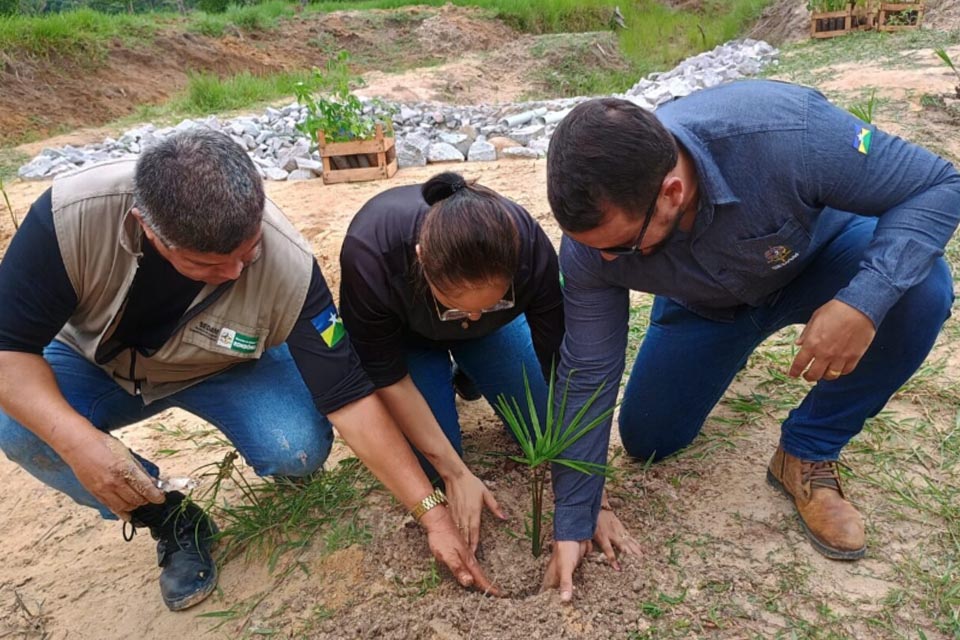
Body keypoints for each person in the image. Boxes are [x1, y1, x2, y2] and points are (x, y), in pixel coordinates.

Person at [0, 130, 495, 612]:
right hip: (96, 363)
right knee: (19, 428)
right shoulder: (71, 217)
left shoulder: (287, 261)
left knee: (296, 447)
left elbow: (349, 395)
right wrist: (77, 441)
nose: (236, 273)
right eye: (207, 264)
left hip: (223, 364)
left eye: (248, 252)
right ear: (146, 228)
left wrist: (431, 515)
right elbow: (7, 349)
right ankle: (168, 517)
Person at [543, 79, 959, 600]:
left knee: (921, 289)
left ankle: (808, 448)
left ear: (672, 192)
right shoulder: (593, 246)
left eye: (623, 246)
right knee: (651, 438)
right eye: (592, 248)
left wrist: (863, 302)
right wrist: (574, 515)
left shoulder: (787, 132)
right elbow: (587, 370)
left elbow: (939, 185)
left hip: (820, 264)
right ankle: (723, 355)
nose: (605, 260)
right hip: (705, 308)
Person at [339, 172, 624, 553]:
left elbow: (561, 365)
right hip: (409, 345)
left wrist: (590, 493)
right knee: (430, 469)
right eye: (456, 306)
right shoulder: (370, 253)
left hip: (493, 334)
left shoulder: (527, 244)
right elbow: (387, 376)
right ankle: (449, 373)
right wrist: (454, 472)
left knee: (545, 432)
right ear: (421, 259)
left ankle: (472, 368)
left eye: (491, 303)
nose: (472, 316)